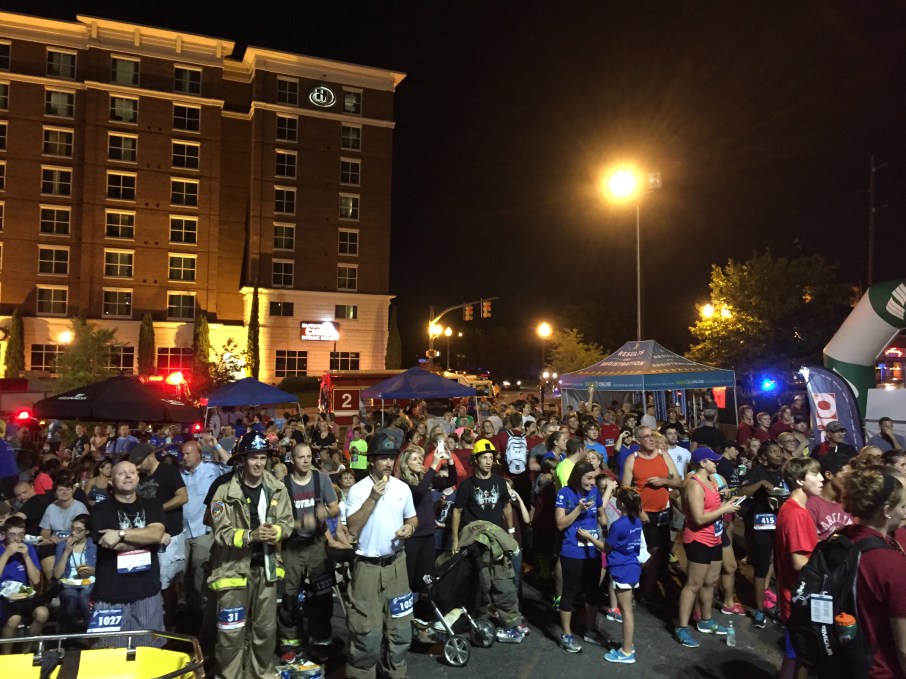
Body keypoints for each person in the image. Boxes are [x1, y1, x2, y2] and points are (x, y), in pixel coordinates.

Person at [205, 431, 292, 679]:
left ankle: (260, 674)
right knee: (231, 632)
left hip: (266, 570)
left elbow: (287, 523)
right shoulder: (223, 492)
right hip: (232, 571)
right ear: (242, 460)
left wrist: (276, 531)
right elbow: (221, 533)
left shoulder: (277, 489)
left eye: (263, 458)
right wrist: (250, 536)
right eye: (254, 457)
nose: (259, 463)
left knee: (265, 630)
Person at [343, 432, 418, 679]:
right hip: (367, 568)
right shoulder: (358, 490)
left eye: (391, 458)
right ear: (372, 461)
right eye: (383, 458)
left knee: (400, 627)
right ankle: (362, 674)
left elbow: (412, 517)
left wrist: (410, 528)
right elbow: (352, 528)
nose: (388, 463)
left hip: (397, 565)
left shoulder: (402, 488)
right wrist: (373, 498)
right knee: (366, 631)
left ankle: (395, 672)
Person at [451, 438, 525, 643]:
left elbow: (506, 507)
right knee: (481, 585)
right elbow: (457, 511)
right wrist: (455, 540)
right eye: (484, 457)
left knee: (503, 583)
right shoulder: (467, 485)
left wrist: (510, 532)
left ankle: (511, 624)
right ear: (475, 460)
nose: (488, 461)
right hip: (476, 543)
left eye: (491, 458)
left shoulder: (500, 482)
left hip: (497, 541)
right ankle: (480, 623)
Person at [89, 459, 167, 646]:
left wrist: (120, 534)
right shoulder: (100, 509)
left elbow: (156, 533)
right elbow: (110, 544)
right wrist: (148, 539)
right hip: (110, 594)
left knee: (149, 651)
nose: (127, 476)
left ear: (138, 478)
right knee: (108, 652)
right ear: (111, 481)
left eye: (131, 472)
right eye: (121, 473)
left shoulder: (153, 505)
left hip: (148, 592)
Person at [838, 466, 906, 679]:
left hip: (843, 660)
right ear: (886, 511)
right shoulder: (891, 564)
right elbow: (904, 649)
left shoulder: (839, 538)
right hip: (880, 670)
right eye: (902, 506)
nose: (905, 513)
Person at [674, 447, 742, 648]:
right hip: (699, 539)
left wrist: (728, 502)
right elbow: (698, 518)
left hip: (715, 536)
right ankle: (682, 627)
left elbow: (712, 508)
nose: (716, 463)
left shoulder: (712, 481)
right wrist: (724, 509)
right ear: (702, 463)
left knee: (711, 581)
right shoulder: (694, 484)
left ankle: (706, 620)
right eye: (713, 460)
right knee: (693, 584)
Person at [278, 442, 340, 661]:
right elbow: (276, 520)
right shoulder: (283, 485)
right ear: (292, 460)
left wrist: (326, 513)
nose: (305, 461)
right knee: (289, 596)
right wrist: (300, 523)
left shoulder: (321, 480)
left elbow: (335, 508)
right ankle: (290, 642)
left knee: (323, 595)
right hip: (292, 547)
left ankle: (320, 639)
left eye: (308, 456)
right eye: (300, 457)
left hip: (316, 545)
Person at [583, 486, 643, 664]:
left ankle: (626, 652)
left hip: (622, 569)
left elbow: (605, 548)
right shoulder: (637, 521)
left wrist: (589, 537)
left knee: (626, 612)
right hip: (632, 566)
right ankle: (628, 645)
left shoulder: (618, 525)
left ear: (621, 504)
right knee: (627, 610)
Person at [622, 426, 682, 606]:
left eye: (652, 436)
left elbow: (678, 481)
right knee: (639, 553)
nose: (651, 439)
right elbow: (624, 491)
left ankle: (647, 592)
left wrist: (664, 481)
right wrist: (639, 510)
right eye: (646, 437)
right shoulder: (632, 459)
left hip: (662, 513)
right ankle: (633, 589)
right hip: (641, 514)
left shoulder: (664, 455)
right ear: (638, 441)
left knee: (657, 552)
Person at [774, 457, 822, 679]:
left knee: (793, 655)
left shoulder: (792, 508)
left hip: (793, 594)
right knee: (799, 655)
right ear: (800, 480)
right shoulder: (796, 513)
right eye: (815, 474)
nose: (821, 479)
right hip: (798, 597)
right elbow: (799, 561)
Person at [131, 442, 188, 627]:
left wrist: (158, 510)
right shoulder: (140, 477)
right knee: (149, 580)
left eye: (140, 462)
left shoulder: (168, 472)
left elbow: (182, 497)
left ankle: (170, 622)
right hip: (147, 536)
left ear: (150, 456)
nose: (137, 467)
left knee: (167, 582)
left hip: (170, 535)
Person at [554, 462, 605, 653]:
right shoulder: (564, 493)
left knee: (593, 591)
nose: (592, 482)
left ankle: (590, 630)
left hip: (592, 551)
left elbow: (601, 513)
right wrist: (578, 509)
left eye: (594, 478)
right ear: (578, 476)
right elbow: (560, 524)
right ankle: (566, 634)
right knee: (569, 592)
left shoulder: (594, 492)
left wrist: (605, 524)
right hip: (572, 551)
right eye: (588, 478)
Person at [180, 436, 230, 621]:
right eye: (183, 454)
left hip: (203, 531)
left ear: (198, 454)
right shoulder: (180, 474)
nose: (185, 457)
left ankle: (204, 613)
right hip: (184, 532)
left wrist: (216, 445)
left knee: (200, 573)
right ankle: (188, 614)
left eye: (188, 453)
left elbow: (231, 465)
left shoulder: (211, 469)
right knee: (183, 575)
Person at [739, 440, 787, 627]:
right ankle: (759, 610)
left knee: (783, 567)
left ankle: (783, 609)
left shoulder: (787, 471)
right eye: (773, 452)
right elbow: (742, 492)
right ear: (764, 457)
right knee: (761, 566)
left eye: (779, 451)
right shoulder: (757, 472)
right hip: (763, 524)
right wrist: (759, 484)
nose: (778, 454)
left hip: (784, 523)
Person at [397, 444, 445, 599]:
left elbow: (450, 481)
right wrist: (434, 465)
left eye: (420, 458)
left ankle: (421, 607)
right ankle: (406, 607)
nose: (419, 461)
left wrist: (450, 461)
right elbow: (418, 492)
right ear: (405, 464)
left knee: (425, 577)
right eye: (415, 459)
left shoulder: (424, 478)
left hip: (428, 533)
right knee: (410, 575)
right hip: (413, 535)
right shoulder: (403, 484)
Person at [0, 515, 48, 653]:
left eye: (21, 534)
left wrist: (26, 556)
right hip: (3, 596)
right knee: (14, 619)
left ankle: (25, 651)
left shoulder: (29, 549)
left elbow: (36, 580)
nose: (17, 539)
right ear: (4, 534)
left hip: (24, 594)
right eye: (12, 534)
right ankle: (6, 656)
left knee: (43, 613)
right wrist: (6, 554)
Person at [52, 513, 96, 632]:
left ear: (87, 531)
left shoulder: (94, 545)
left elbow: (102, 571)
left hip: (90, 583)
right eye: (72, 528)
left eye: (78, 530)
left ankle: (93, 632)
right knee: (71, 598)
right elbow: (57, 575)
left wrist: (92, 571)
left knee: (85, 597)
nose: (73, 532)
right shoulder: (62, 545)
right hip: (68, 583)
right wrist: (66, 552)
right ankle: (63, 636)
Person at [806, 451, 853, 541]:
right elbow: (809, 540)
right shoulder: (812, 504)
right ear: (829, 475)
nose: (851, 480)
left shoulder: (851, 501)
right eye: (846, 476)